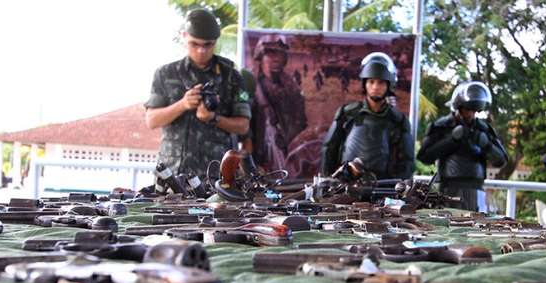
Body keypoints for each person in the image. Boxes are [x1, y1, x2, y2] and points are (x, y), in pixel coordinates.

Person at [145, 9, 250, 177]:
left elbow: (243, 126)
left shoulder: (231, 76)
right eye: (194, 44)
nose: (201, 50)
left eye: (208, 45)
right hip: (172, 174)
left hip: (216, 175)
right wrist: (182, 105)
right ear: (184, 36)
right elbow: (151, 120)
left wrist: (213, 118)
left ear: (215, 42)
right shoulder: (165, 74)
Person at [320, 52, 415, 180]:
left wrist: (397, 187)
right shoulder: (347, 113)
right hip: (346, 182)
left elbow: (407, 162)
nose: (375, 87)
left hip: (381, 186)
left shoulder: (398, 120)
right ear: (364, 84)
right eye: (371, 82)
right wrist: (328, 180)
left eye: (381, 82)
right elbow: (329, 149)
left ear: (388, 85)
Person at [417, 81, 508, 212]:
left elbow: (501, 161)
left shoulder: (483, 128)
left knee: (476, 224)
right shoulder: (441, 126)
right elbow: (424, 157)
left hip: (476, 189)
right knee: (448, 222)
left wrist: (487, 145)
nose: (471, 114)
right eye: (467, 109)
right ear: (458, 107)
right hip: (448, 188)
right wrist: (451, 140)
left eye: (474, 110)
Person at [250, 34, 307, 173]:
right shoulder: (252, 87)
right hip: (259, 154)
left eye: (280, 54)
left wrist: (288, 138)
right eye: (270, 53)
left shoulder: (291, 87)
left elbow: (301, 120)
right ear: (261, 57)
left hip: (288, 151)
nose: (276, 58)